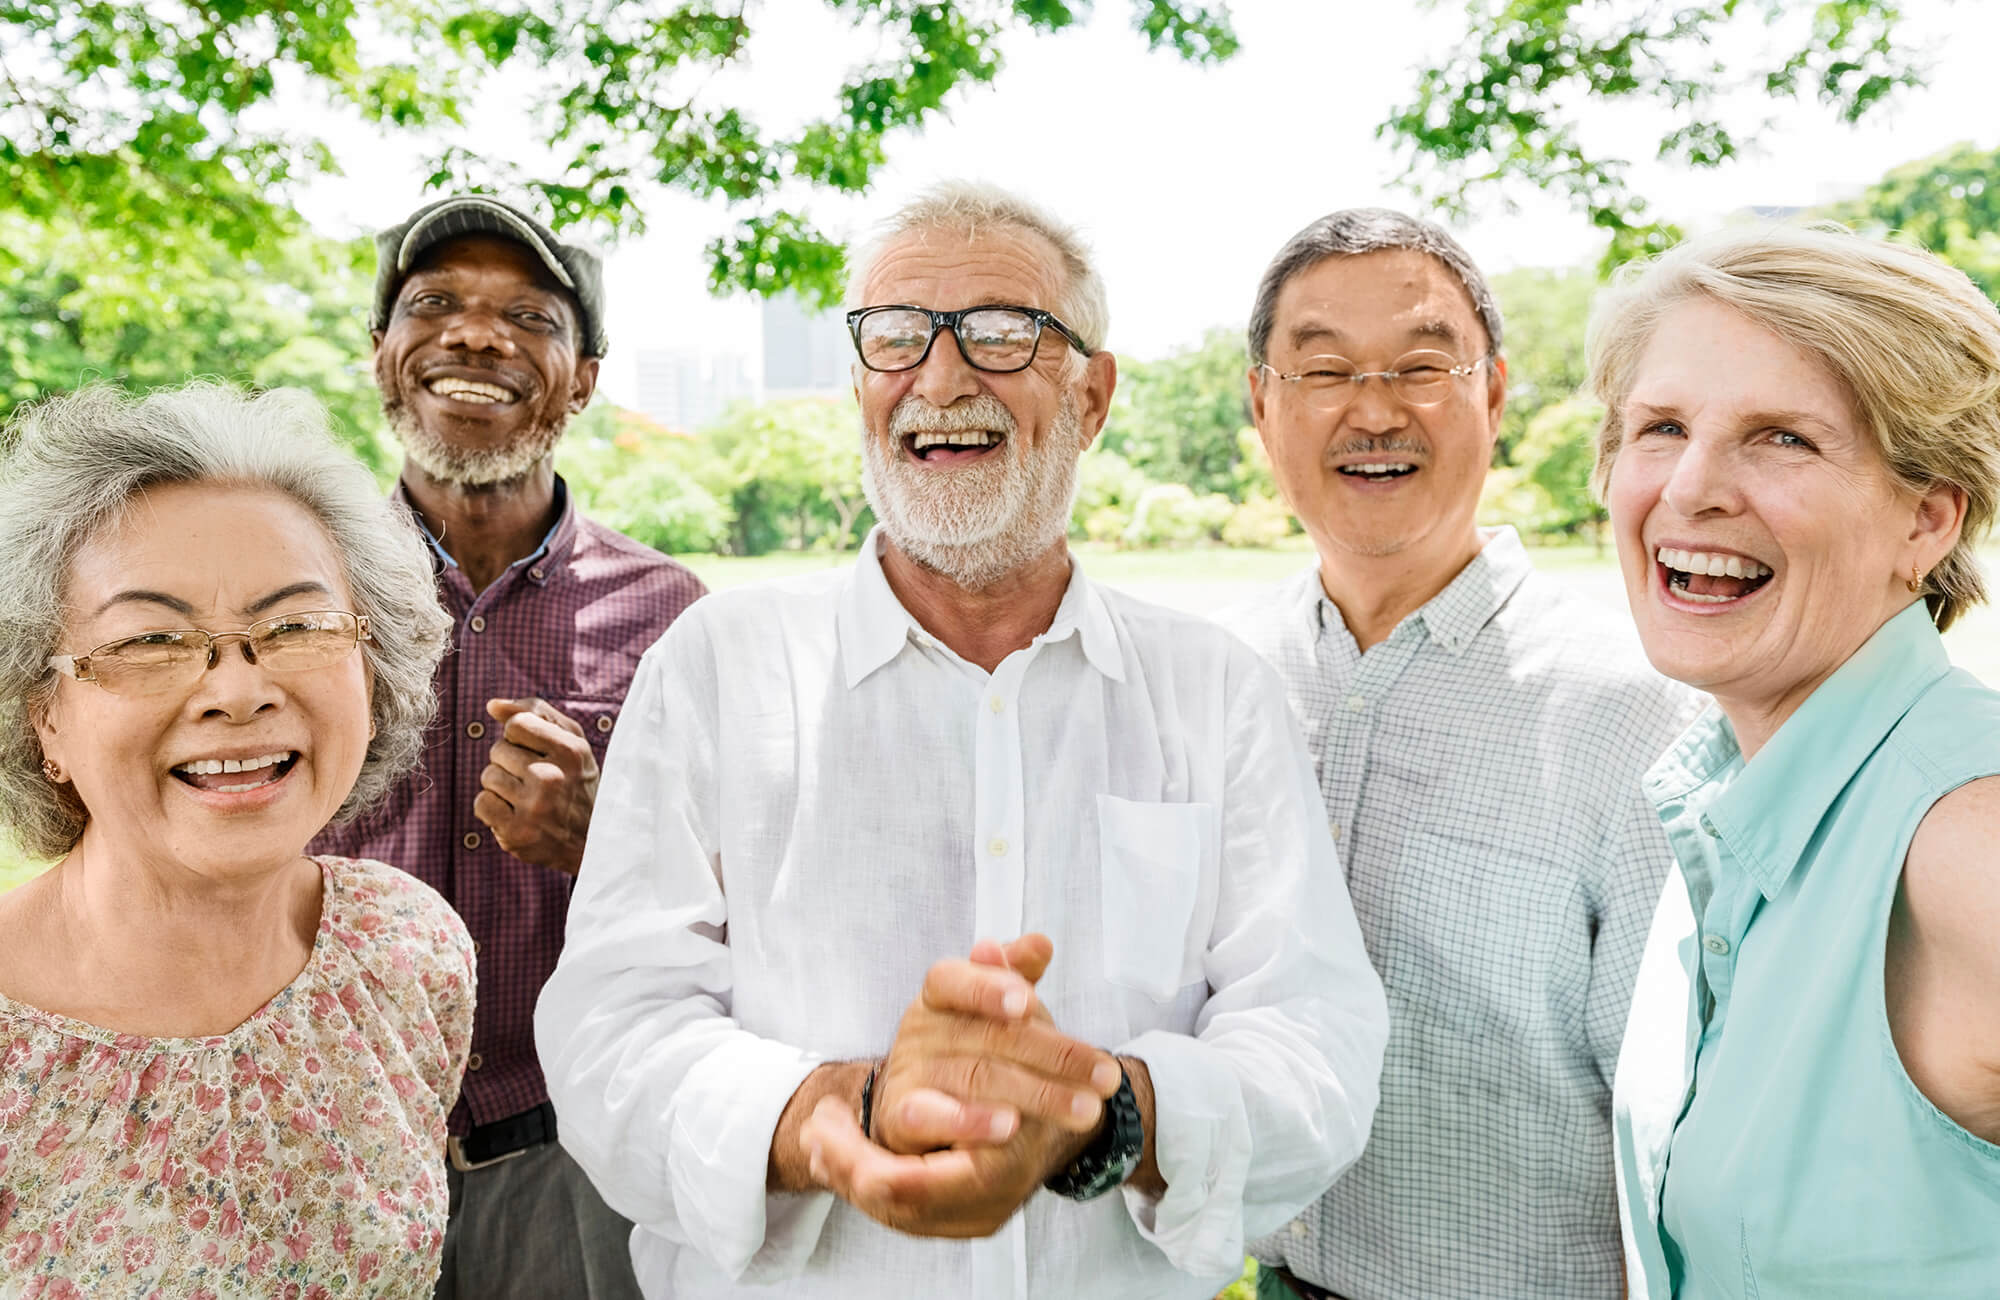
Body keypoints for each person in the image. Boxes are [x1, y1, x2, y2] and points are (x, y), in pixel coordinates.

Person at [534, 181, 1390, 1300]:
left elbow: (1314, 1039)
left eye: (1002, 332)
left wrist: (1104, 1112)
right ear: (857, 385)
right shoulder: (716, 666)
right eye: (896, 336)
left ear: (1091, 396)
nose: (940, 378)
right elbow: (613, 1027)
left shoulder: (1211, 691)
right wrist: (830, 1118)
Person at [1229, 209, 1702, 1300]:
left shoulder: (1634, 709)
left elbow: (1676, 1125)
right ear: (1261, 404)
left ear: (1491, 392)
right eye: (1323, 370)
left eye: (1419, 365)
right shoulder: (1221, 682)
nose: (1373, 409)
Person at [310, 193, 706, 1299]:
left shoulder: (674, 613)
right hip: (327, 1142)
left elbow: (749, 909)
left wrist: (602, 839)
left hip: (573, 1161)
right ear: (380, 354)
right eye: (432, 303)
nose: (475, 335)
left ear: (581, 377)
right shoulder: (294, 589)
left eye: (528, 316)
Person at [1595, 224, 2000, 1298]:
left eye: (1780, 437)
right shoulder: (1720, 792)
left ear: (1926, 517)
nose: (1689, 487)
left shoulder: (1966, 836)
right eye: (1660, 426)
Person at [0, 382, 470, 1297]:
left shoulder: (408, 949)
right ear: (43, 718)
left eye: (296, 626)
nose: (238, 691)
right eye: (150, 641)